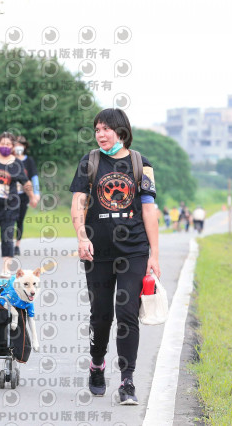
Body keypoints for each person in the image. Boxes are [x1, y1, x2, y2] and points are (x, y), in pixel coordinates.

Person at [69, 108, 160, 405]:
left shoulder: (141, 164)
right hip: (98, 251)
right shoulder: (90, 162)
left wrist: (154, 255)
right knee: (101, 315)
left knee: (127, 314)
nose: (100, 134)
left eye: (106, 129)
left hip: (134, 250)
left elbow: (149, 210)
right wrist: (81, 237)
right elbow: (78, 203)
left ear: (121, 131)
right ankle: (97, 364)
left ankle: (127, 381)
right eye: (97, 129)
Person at [0, 132, 38, 278]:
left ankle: (6, 267)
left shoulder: (17, 163)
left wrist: (32, 197)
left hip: (10, 205)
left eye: (8, 144)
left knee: (7, 236)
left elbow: (26, 182)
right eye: (2, 143)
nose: (5, 146)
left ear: (13, 146)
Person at [13, 135, 41, 256]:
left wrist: (36, 194)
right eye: (16, 145)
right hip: (10, 194)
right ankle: (7, 242)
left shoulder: (28, 161)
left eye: (21, 145)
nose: (18, 147)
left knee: (19, 220)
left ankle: (17, 245)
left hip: (24, 195)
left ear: (24, 147)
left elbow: (34, 177)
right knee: (9, 219)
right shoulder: (9, 159)